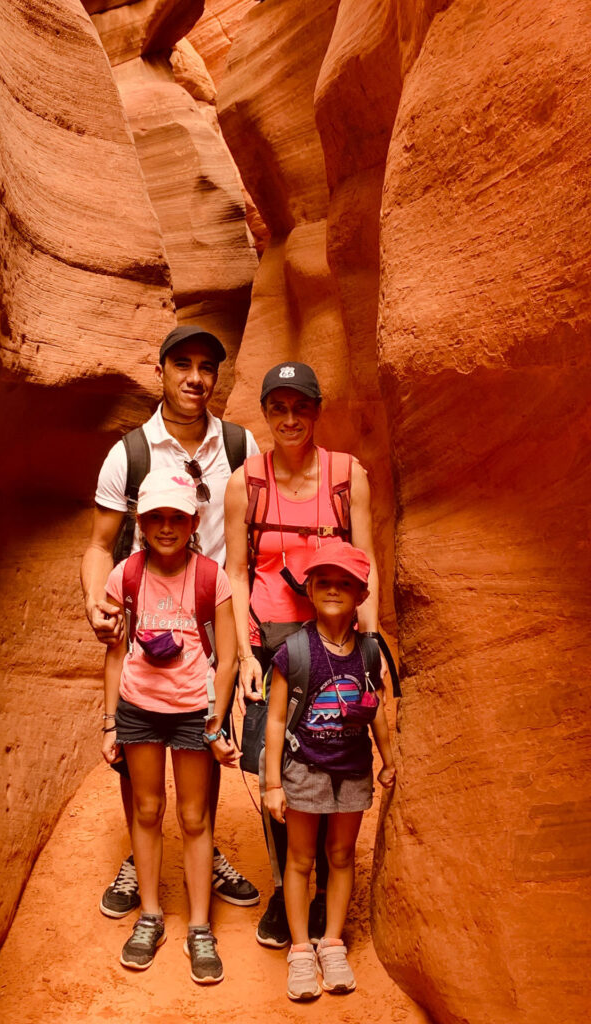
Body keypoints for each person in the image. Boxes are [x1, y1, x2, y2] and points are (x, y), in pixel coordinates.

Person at [81, 325, 260, 918]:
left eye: (207, 367)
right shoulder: (131, 453)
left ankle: (203, 850)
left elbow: (250, 546)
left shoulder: (238, 447)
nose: (195, 378)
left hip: (211, 623)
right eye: (182, 364)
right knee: (138, 745)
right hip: (148, 619)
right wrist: (96, 604)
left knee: (204, 744)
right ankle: (143, 855)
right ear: (160, 369)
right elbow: (99, 544)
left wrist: (247, 634)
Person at [224, 361, 384, 948]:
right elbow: (237, 573)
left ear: (317, 411)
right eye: (278, 408)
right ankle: (286, 883)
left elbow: (365, 561)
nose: (289, 419)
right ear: (266, 413)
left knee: (334, 752)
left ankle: (319, 893)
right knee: (276, 767)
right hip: (272, 644)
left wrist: (369, 647)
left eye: (301, 407)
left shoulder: (347, 477)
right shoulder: (247, 482)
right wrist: (243, 653)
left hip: (336, 639)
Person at [101, 468, 239, 983]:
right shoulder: (126, 576)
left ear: (192, 520)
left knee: (195, 815)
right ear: (141, 521)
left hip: (191, 712)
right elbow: (115, 656)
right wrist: (109, 722)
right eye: (155, 517)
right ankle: (151, 916)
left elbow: (225, 659)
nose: (165, 527)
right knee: (146, 807)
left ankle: (200, 927)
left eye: (175, 517)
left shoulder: (211, 577)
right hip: (138, 708)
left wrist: (216, 721)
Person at [262, 544, 396, 1000]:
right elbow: (276, 720)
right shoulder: (295, 651)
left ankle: (332, 942)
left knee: (341, 856)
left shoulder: (369, 651)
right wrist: (273, 783)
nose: (333, 591)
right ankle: (301, 950)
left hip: (353, 769)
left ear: (361, 593)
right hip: (305, 768)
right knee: (299, 859)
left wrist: (389, 759)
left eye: (344, 584)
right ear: (309, 589)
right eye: (323, 582)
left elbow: (374, 708)